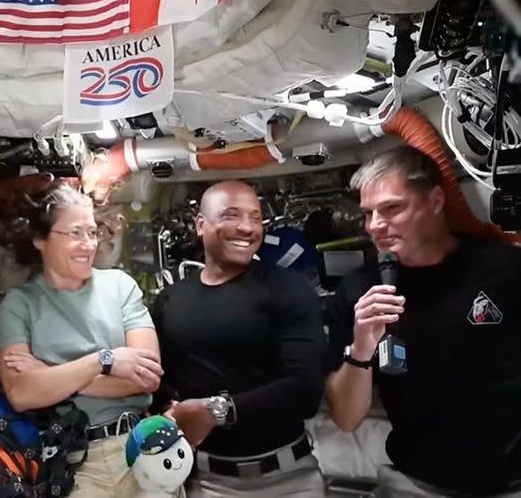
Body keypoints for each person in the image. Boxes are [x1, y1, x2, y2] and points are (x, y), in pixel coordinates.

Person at [323, 145, 521, 497]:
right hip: (414, 483)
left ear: (435, 201)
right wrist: (362, 346)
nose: (376, 225)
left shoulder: (503, 269)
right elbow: (346, 417)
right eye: (368, 214)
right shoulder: (359, 290)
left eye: (392, 208)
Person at [0, 182, 180, 498]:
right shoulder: (19, 303)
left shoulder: (120, 286)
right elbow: (22, 393)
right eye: (75, 233)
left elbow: (147, 378)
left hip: (140, 445)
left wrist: (51, 374)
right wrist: (104, 361)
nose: (88, 244)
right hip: (74, 461)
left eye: (92, 232)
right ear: (41, 239)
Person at [152, 180, 327, 498]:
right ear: (201, 225)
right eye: (232, 215)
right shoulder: (170, 301)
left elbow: (306, 390)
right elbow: (161, 386)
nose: (247, 227)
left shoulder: (290, 289)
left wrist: (218, 411)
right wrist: (166, 408)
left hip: (289, 480)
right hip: (205, 482)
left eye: (256, 218)